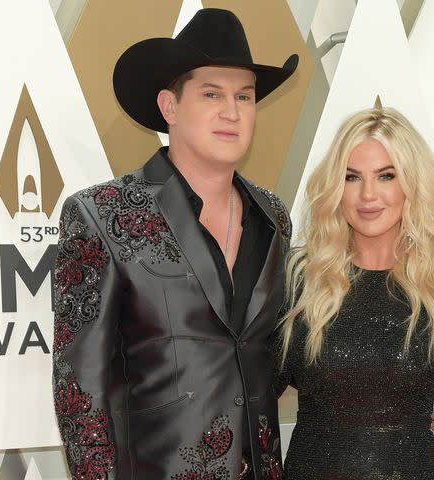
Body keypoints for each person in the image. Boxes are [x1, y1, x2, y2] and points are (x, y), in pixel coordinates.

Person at [52, 9, 298, 480]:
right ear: (169, 107)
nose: (232, 112)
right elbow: (79, 392)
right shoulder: (103, 215)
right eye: (212, 94)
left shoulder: (274, 217)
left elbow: (269, 357)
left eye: (244, 97)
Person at [275, 107, 434, 480]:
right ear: (335, 188)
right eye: (352, 177)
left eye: (386, 176)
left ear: (411, 184)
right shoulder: (299, 278)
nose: (368, 194)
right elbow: (255, 393)